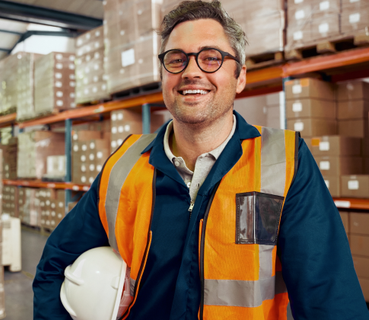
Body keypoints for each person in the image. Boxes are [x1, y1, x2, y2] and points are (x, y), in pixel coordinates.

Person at [33, 1, 369, 319]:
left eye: (211, 58)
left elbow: (329, 296)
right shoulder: (125, 163)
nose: (192, 72)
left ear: (240, 77)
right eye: (177, 59)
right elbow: (55, 264)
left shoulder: (283, 163)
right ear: (164, 76)